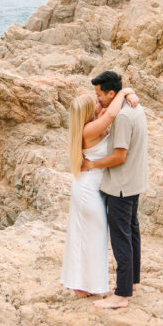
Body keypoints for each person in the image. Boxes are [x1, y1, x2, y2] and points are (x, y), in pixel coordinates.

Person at [60, 85, 139, 298]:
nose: (98, 102)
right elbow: (112, 113)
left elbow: (108, 111)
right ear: (87, 112)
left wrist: (127, 94)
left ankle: (82, 286)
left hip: (91, 188)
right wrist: (124, 91)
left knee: (86, 238)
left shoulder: (91, 125)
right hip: (88, 191)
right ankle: (86, 286)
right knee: (93, 239)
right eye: (94, 102)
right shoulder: (89, 130)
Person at [83, 70, 149, 310]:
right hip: (135, 181)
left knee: (121, 237)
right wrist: (128, 91)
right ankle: (131, 282)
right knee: (132, 232)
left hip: (121, 185)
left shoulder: (121, 117)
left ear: (112, 94)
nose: (97, 99)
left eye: (99, 95)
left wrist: (92, 164)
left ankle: (121, 295)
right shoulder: (136, 108)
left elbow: (119, 156)